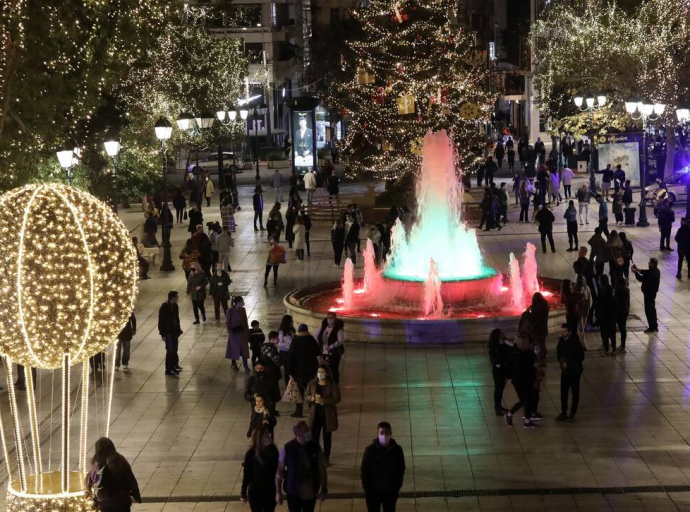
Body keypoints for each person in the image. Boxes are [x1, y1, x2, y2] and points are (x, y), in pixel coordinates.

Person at [275, 421, 328, 512]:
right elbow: (279, 472)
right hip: (294, 492)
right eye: (306, 432)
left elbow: (321, 469)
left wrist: (324, 488)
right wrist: (278, 492)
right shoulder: (287, 448)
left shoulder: (315, 447)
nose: (309, 434)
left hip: (311, 491)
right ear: (298, 435)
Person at [86, 437, 141, 511]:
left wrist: (89, 494)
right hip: (121, 500)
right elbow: (130, 479)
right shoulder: (120, 460)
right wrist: (136, 496)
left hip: (103, 501)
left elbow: (89, 482)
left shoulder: (94, 463)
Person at [361, 422, 405, 512]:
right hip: (373, 492)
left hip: (390, 491)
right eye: (381, 433)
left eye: (387, 433)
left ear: (391, 433)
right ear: (377, 434)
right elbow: (364, 470)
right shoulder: (370, 450)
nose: (384, 435)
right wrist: (367, 489)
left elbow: (401, 468)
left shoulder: (397, 450)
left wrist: (397, 486)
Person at [306, 365, 341, 464]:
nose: (320, 374)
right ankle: (315, 455)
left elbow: (337, 398)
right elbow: (306, 395)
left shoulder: (332, 385)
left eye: (322, 372)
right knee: (314, 437)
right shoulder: (312, 384)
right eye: (319, 372)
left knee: (327, 437)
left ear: (327, 373)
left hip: (327, 416)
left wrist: (324, 401)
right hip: (315, 415)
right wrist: (311, 398)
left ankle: (326, 457)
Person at [504, 336, 539, 429]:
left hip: (528, 380)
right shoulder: (515, 353)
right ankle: (509, 414)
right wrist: (509, 376)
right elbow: (509, 366)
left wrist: (535, 380)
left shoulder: (528, 353)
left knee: (529, 400)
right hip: (519, 381)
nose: (528, 344)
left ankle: (527, 421)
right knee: (524, 400)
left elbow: (531, 367)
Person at [241, 428, 279, 512]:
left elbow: (275, 469)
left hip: (269, 490)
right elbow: (246, 474)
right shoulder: (250, 454)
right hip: (255, 491)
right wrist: (243, 493)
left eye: (268, 435)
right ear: (259, 439)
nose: (269, 437)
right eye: (266, 436)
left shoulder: (273, 451)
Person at [287, 324, 321, 418]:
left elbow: (290, 357)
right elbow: (318, 352)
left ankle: (299, 411)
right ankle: (312, 409)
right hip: (311, 369)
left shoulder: (295, 341)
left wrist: (289, 371)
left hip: (299, 371)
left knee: (300, 392)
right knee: (311, 391)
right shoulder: (311, 340)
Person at [555, 323, 584, 422]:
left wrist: (569, 363)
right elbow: (559, 352)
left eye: (564, 331)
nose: (563, 333)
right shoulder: (561, 341)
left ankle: (572, 412)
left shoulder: (575, 342)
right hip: (565, 371)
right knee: (564, 391)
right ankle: (563, 412)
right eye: (562, 331)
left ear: (570, 332)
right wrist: (562, 361)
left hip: (575, 371)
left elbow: (581, 357)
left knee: (575, 392)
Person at [488, 328, 513, 416]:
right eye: (501, 333)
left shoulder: (505, 343)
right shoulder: (494, 346)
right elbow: (495, 359)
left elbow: (512, 348)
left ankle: (498, 406)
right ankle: (497, 407)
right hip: (498, 371)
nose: (503, 334)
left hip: (504, 369)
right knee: (498, 389)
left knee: (500, 389)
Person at [158, 291, 183, 377]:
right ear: (172, 298)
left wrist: (179, 328)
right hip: (168, 332)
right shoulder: (164, 308)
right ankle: (168, 369)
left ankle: (174, 366)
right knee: (170, 350)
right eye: (176, 297)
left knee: (175, 349)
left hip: (175, 331)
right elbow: (161, 321)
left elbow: (177, 318)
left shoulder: (175, 306)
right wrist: (162, 334)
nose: (177, 298)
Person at [315, 312, 345, 384]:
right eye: (328, 318)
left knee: (333, 368)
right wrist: (319, 344)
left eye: (331, 318)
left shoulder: (338, 329)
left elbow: (340, 340)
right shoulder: (323, 327)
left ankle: (335, 383)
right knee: (324, 367)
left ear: (335, 319)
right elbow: (316, 335)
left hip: (334, 353)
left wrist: (331, 347)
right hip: (323, 351)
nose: (329, 320)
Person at [632, 258, 660, 333]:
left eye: (649, 263)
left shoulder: (651, 274)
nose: (648, 263)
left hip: (648, 294)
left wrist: (635, 272)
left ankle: (651, 327)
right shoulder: (656, 271)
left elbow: (641, 278)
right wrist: (637, 269)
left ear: (653, 264)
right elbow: (645, 272)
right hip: (653, 293)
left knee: (648, 310)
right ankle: (655, 325)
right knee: (653, 309)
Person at [226, 295, 251, 372]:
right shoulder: (230, 311)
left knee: (244, 349)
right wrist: (231, 331)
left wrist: (247, 332)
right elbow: (227, 323)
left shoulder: (243, 310)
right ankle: (233, 363)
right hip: (234, 333)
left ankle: (245, 365)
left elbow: (245, 322)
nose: (243, 303)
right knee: (234, 349)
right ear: (237, 302)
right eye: (241, 302)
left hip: (242, 332)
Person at [598, 275, 618, 355]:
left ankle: (606, 350)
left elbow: (602, 309)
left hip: (605, 319)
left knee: (606, 334)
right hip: (612, 319)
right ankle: (614, 349)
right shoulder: (614, 299)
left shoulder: (604, 299)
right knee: (612, 334)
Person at [529, 292, 550, 364]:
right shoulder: (545, 306)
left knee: (536, 345)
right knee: (543, 344)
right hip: (544, 328)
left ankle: (537, 360)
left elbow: (531, 318)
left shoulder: (535, 308)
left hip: (536, 330)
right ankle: (543, 359)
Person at [573, 275, 592, 349]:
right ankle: (582, 343)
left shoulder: (586, 288)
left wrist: (587, 309)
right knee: (581, 327)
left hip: (583, 310)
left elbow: (589, 300)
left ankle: (581, 343)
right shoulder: (576, 288)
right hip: (580, 310)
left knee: (582, 327)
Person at [278, 315, 296, 383]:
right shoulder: (282, 332)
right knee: (287, 370)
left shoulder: (292, 330)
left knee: (292, 369)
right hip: (285, 353)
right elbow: (280, 343)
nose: (292, 322)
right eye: (291, 321)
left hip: (291, 352)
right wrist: (290, 345)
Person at [614, 277, 630, 352]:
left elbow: (616, 300)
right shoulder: (627, 289)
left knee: (621, 328)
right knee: (623, 328)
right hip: (625, 310)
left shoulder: (618, 290)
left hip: (619, 311)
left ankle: (622, 346)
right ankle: (623, 345)